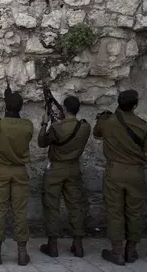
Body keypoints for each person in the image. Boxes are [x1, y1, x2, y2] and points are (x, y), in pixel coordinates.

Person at [93, 89, 147, 266]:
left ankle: (117, 252)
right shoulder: (144, 126)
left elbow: (96, 134)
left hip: (114, 171)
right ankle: (131, 250)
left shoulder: (107, 122)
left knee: (115, 211)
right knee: (135, 211)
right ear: (135, 105)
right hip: (136, 172)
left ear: (118, 102)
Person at [0, 86, 34, 266]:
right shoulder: (28, 125)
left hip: (1, 171)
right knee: (20, 211)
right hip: (20, 171)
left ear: (5, 105)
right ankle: (21, 253)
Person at [38, 96, 90, 258]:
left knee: (51, 205)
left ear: (65, 109)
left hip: (56, 169)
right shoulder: (85, 127)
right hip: (74, 168)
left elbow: (42, 142)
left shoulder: (56, 128)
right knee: (76, 205)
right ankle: (78, 245)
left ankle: (52, 246)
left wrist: (44, 123)